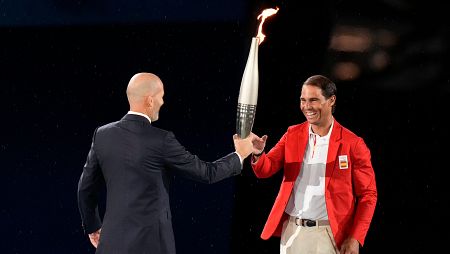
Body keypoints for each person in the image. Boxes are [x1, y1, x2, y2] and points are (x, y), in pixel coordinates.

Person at [77, 72, 254, 254]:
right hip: (152, 245)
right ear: (150, 101)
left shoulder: (102, 135)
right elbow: (206, 173)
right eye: (161, 96)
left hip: (111, 244)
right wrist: (239, 154)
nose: (163, 102)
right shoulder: (161, 140)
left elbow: (85, 189)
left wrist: (92, 226)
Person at [250, 75, 377, 254]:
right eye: (303, 100)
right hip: (293, 231)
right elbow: (265, 169)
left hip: (329, 235)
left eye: (313, 100)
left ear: (331, 100)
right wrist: (258, 153)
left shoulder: (352, 144)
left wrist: (355, 237)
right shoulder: (292, 134)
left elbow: (368, 195)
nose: (307, 106)